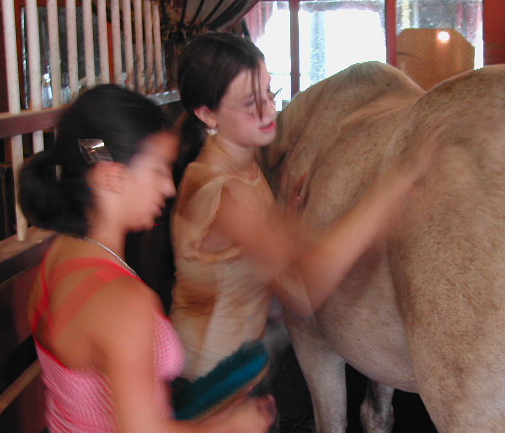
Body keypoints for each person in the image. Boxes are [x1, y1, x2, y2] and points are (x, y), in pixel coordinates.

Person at [19, 84, 275, 433]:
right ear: (111, 177)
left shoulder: (61, 254)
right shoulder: (124, 302)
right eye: (158, 170)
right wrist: (229, 427)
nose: (169, 187)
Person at [170, 32, 436, 389]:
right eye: (250, 103)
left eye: (269, 91)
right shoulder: (221, 193)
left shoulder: (243, 163)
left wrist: (286, 214)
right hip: (209, 381)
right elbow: (302, 293)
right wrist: (392, 186)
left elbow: (259, 243)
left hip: (241, 364)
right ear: (207, 114)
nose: (269, 110)